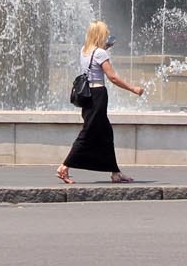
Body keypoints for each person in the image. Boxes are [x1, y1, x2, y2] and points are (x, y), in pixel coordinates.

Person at [56, 20, 145, 185]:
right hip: (97, 95)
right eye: (105, 33)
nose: (107, 35)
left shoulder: (84, 50)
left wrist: (105, 48)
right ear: (100, 35)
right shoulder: (100, 54)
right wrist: (133, 89)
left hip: (87, 95)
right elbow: (112, 77)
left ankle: (116, 173)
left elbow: (93, 63)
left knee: (106, 134)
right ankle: (64, 166)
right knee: (87, 132)